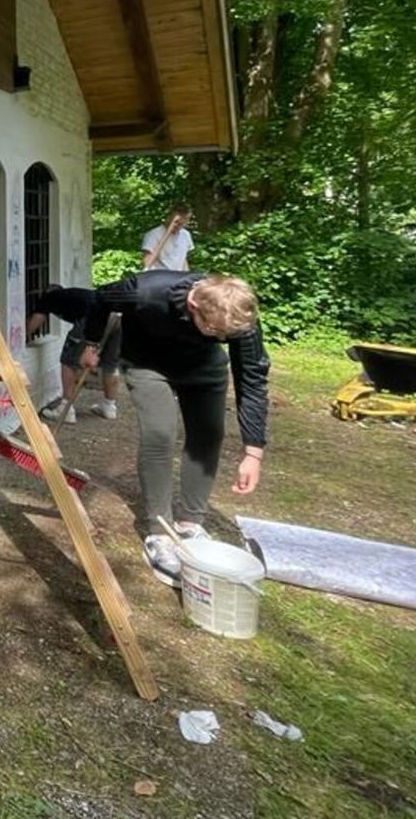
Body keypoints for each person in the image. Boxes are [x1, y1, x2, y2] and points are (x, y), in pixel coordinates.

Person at [78, 271, 269, 586]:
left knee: (208, 435)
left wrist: (254, 451)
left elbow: (252, 379)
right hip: (147, 364)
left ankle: (191, 523)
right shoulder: (143, 291)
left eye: (226, 336)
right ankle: (160, 531)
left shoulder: (237, 317)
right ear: (194, 302)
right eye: (213, 330)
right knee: (159, 435)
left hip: (204, 369)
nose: (221, 339)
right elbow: (100, 298)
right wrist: (90, 341)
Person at [24, 284, 122, 424]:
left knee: (68, 361)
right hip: (116, 318)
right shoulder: (75, 295)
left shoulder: (49, 297)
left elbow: (34, 324)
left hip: (92, 318)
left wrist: (19, 335)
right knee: (110, 365)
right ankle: (109, 406)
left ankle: (66, 410)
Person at [141, 203, 194, 271]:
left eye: (182, 224)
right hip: (159, 276)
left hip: (178, 277)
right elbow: (147, 264)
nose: (178, 226)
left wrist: (187, 275)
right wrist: (167, 233)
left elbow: (183, 259)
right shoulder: (153, 235)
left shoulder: (186, 235)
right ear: (169, 217)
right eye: (176, 222)